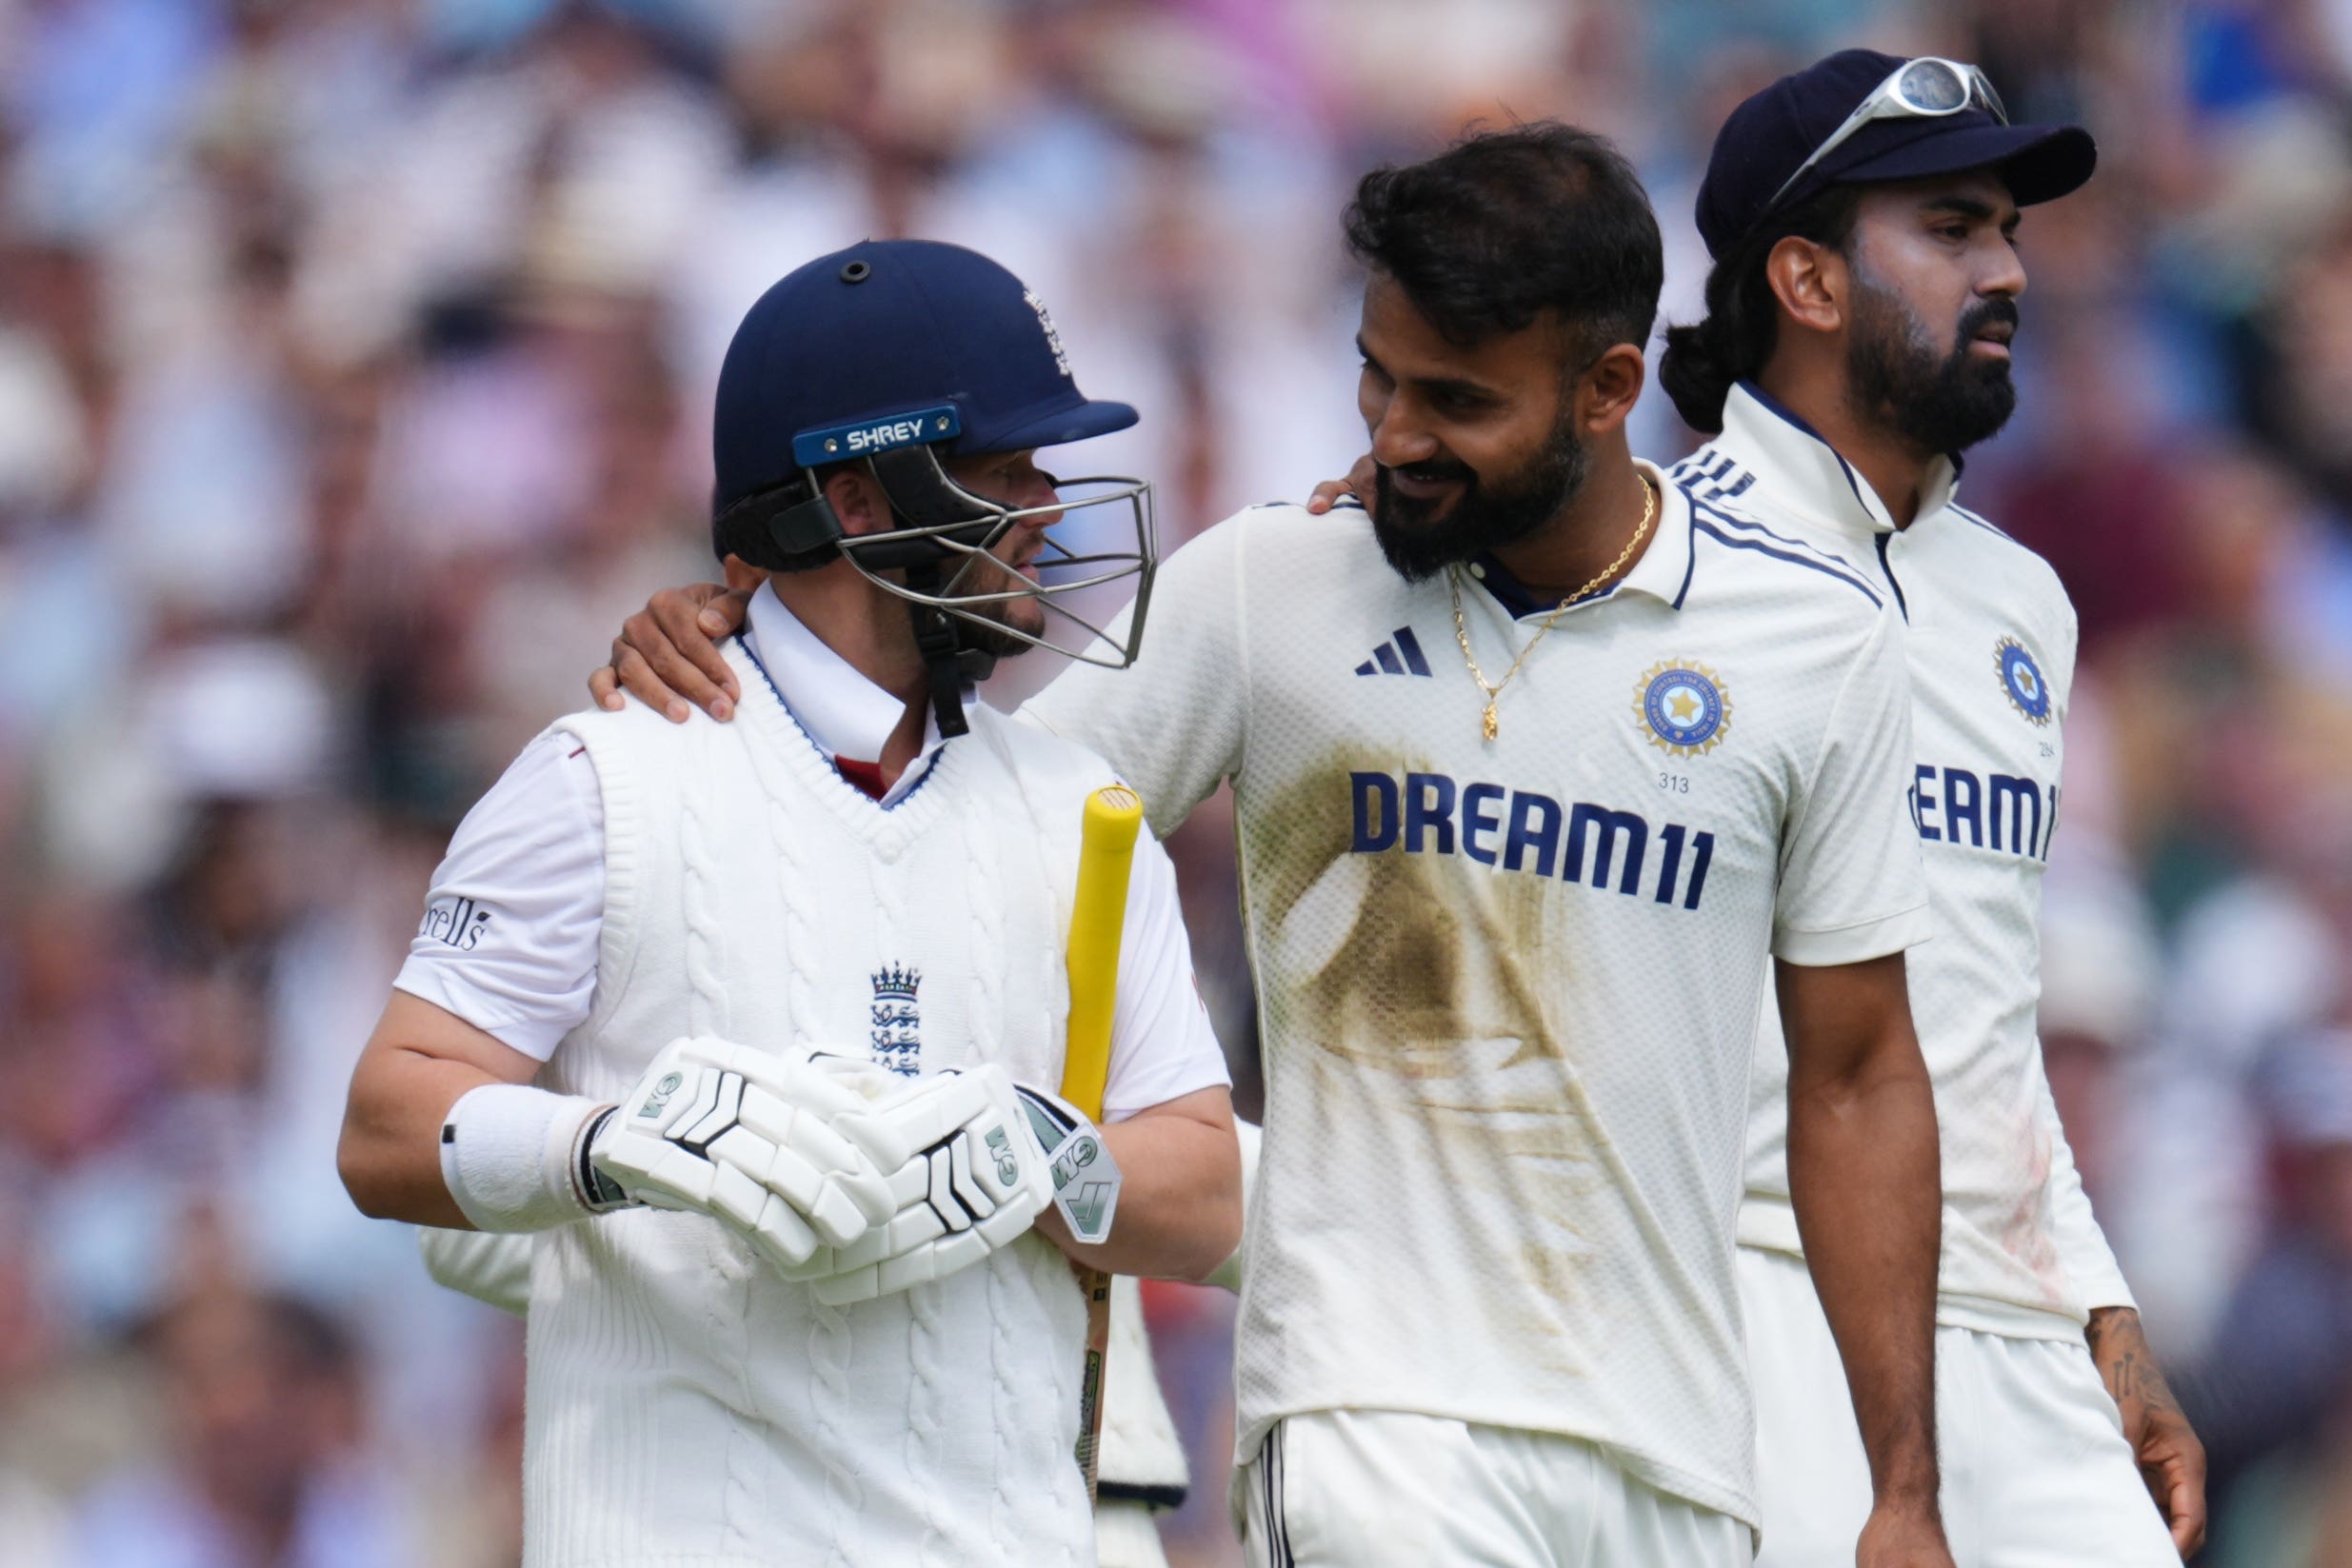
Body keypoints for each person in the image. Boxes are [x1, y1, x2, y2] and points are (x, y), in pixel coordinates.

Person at [594, 126, 1953, 1567]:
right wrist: (757, 628)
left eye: (1457, 401)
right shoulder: (1274, 582)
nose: (1394, 437)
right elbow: (952, 830)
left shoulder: (1815, 645)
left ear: (1608, 389)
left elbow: (1861, 1074)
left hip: (1679, 1454)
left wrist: (1905, 1491)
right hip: (1372, 1425)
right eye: (1378, 378)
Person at [336, 239, 1243, 1568]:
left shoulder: (1074, 806)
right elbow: (385, 1130)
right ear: (858, 499)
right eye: (1004, 471)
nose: (1047, 507)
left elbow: (1206, 1196)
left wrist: (1034, 1154)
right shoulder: (604, 776)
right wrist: (621, 1145)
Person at [1648, 50, 2207, 1566]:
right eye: (1952, 229)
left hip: (2021, 1334)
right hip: (1757, 1306)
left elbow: (1986, 1010)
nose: (2008, 270)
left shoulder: (2020, 601)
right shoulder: (1644, 570)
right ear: (1806, 281)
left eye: (2004, 232)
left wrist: (2104, 1316)